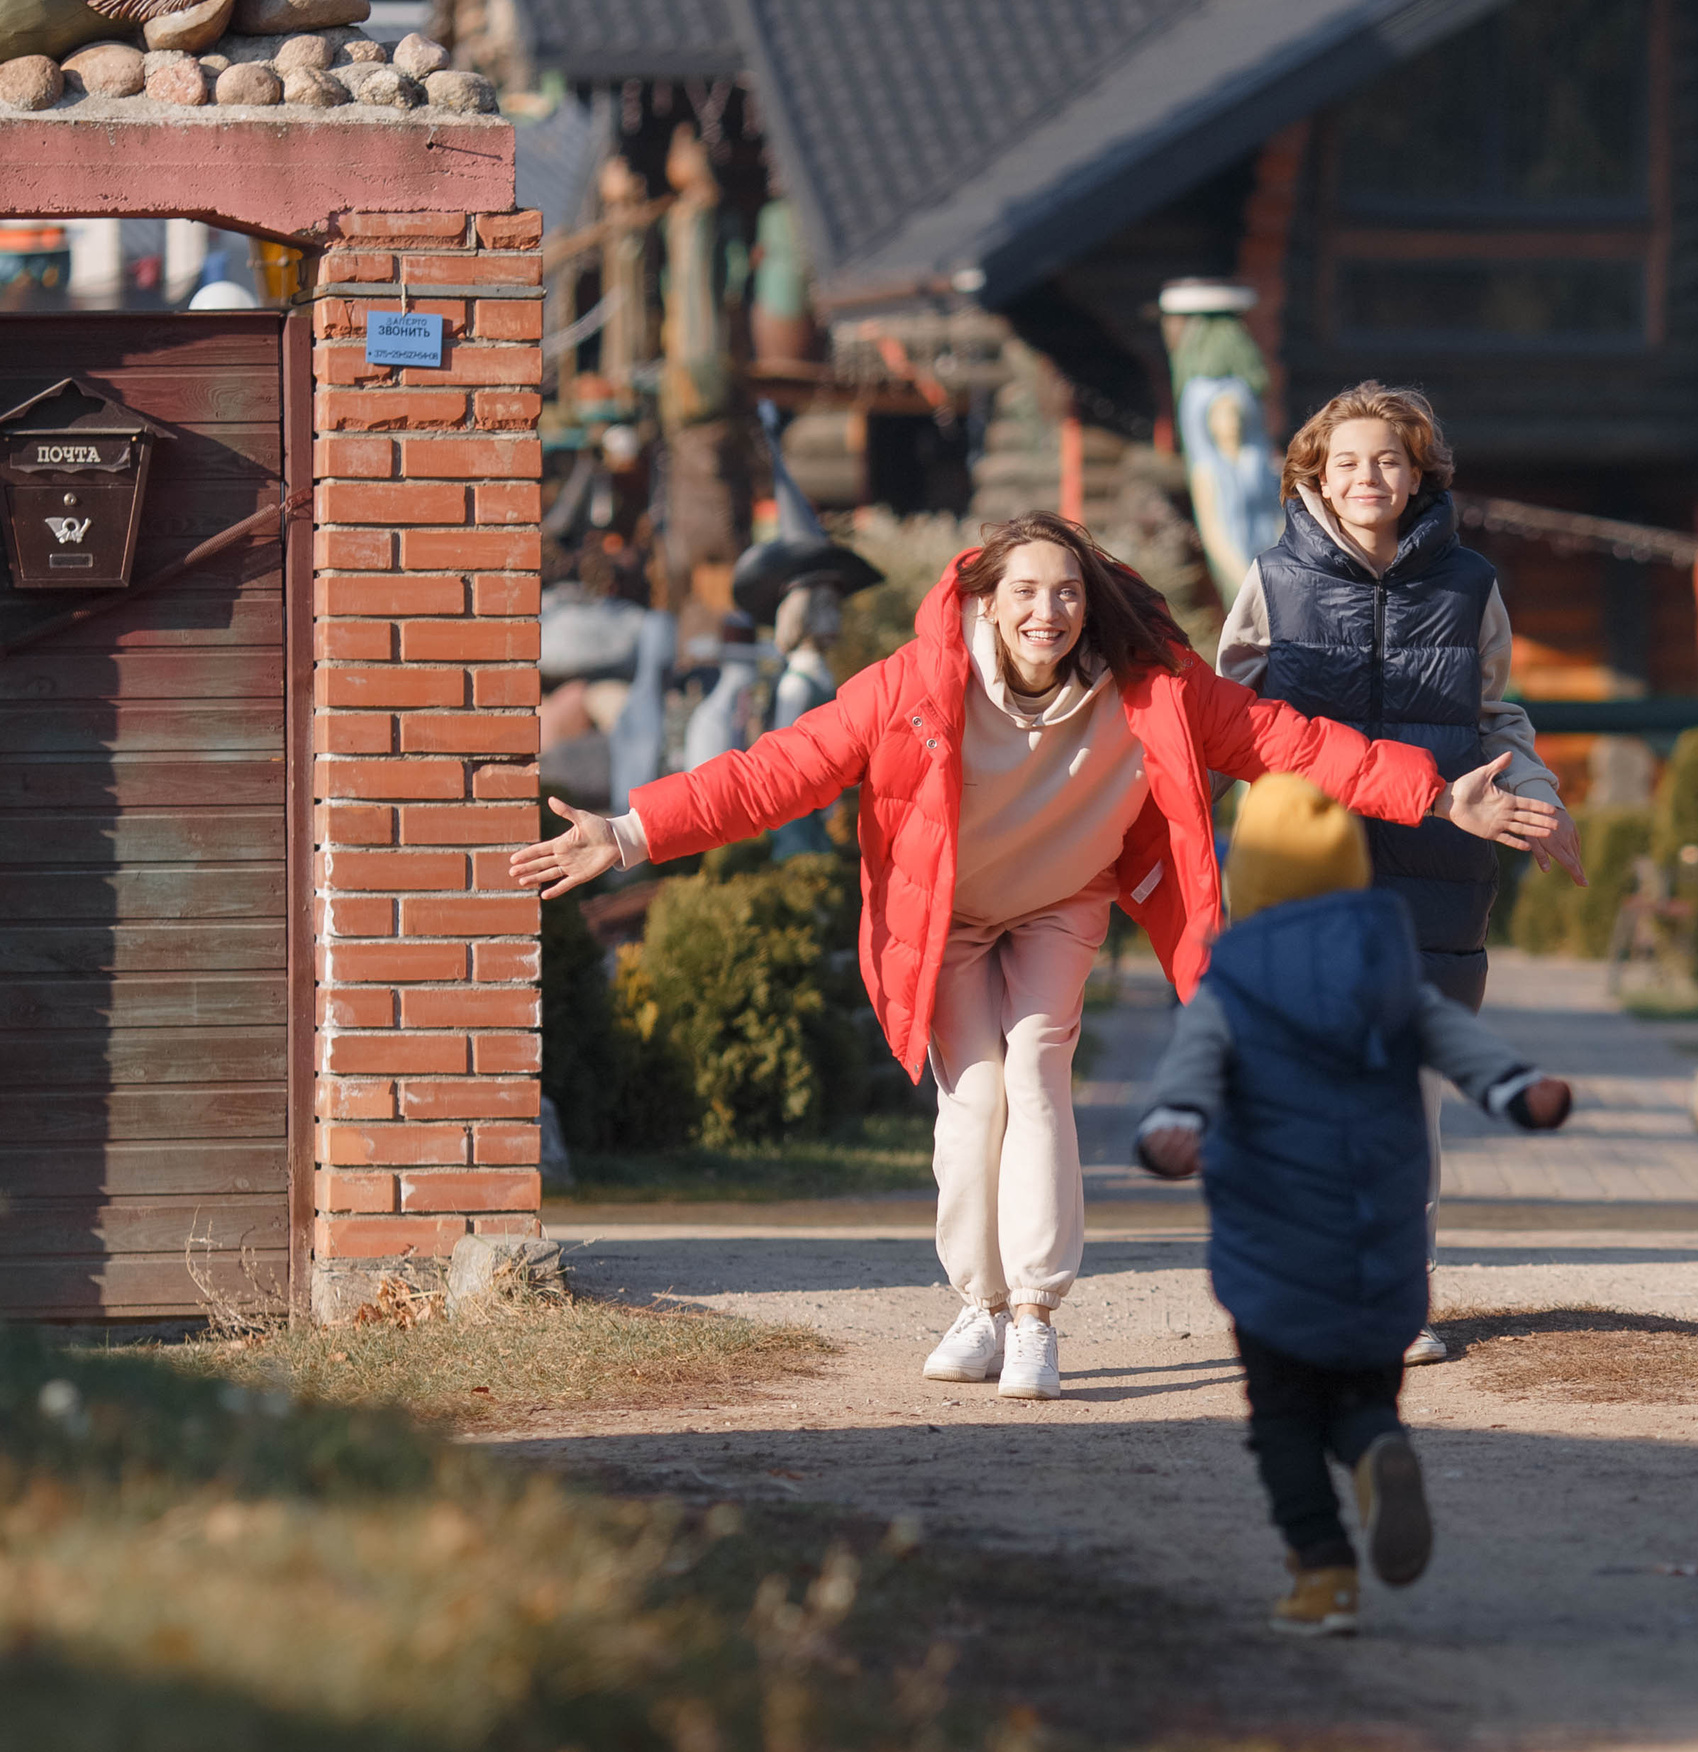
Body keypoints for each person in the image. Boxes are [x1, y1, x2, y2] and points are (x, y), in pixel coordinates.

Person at [511, 513, 1559, 1401]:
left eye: (1066, 592)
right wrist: (631, 833)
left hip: (1063, 899)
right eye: (1025, 592)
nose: (1046, 612)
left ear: (1090, 602)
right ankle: (976, 1302)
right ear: (981, 595)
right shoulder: (912, 687)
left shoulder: (1155, 688)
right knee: (973, 1100)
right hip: (950, 914)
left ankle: (1037, 1316)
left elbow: (1289, 740)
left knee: (1037, 1071)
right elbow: (774, 772)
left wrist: (1433, 791)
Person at [1132, 775, 1571, 1636]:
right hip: (1380, 1246)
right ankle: (1374, 1450)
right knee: (1366, 1394)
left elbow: (1186, 1083)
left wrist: (1169, 1132)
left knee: (1284, 1422)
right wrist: (1521, 1090)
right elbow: (1464, 1046)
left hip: (1276, 1250)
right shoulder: (1393, 971)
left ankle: (1324, 1574)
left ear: (1247, 878)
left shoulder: (1233, 985)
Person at [1217, 381, 1585, 1366]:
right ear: (1313, 476)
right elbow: (1229, 721)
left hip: (1436, 863)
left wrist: (1541, 795)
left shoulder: (1469, 585)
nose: (1366, 477)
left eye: (1386, 459)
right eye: (1345, 462)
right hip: (1304, 864)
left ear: (1419, 471)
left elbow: (1497, 717)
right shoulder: (1272, 582)